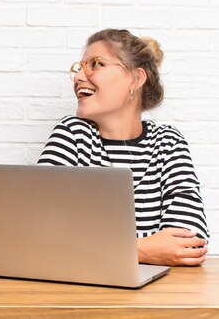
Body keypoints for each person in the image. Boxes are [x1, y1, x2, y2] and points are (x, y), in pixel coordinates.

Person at [37, 28, 209, 266]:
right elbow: (40, 233)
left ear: (136, 79)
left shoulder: (168, 143)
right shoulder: (72, 135)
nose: (78, 77)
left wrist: (86, 243)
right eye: (79, 67)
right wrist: (143, 249)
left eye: (96, 64)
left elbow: (189, 243)